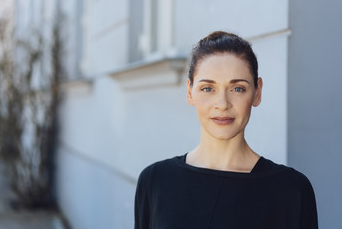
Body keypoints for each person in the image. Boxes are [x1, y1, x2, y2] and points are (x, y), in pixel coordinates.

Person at [134, 31, 318, 229]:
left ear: (257, 93)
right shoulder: (155, 182)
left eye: (237, 88)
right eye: (207, 88)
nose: (222, 104)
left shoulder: (292, 190)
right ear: (189, 93)